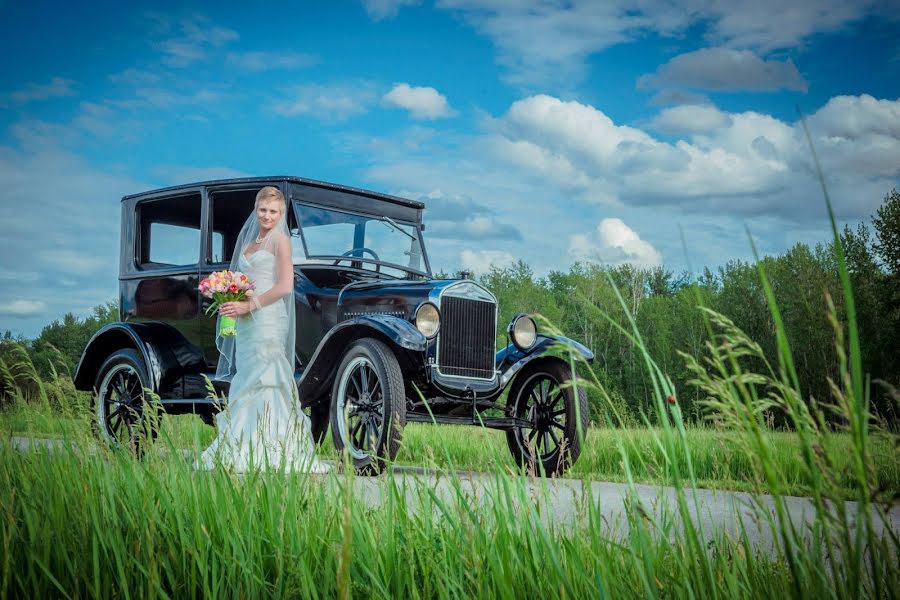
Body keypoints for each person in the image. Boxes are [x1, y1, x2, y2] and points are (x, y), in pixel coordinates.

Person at [194, 186, 330, 473]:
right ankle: (240, 441)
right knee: (247, 379)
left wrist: (250, 305)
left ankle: (272, 446)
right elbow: (242, 281)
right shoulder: (248, 245)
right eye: (263, 210)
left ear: (280, 214)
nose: (268, 216)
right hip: (245, 322)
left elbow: (284, 286)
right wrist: (228, 299)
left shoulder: (281, 241)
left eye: (274, 211)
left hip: (267, 318)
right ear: (256, 210)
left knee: (268, 377)